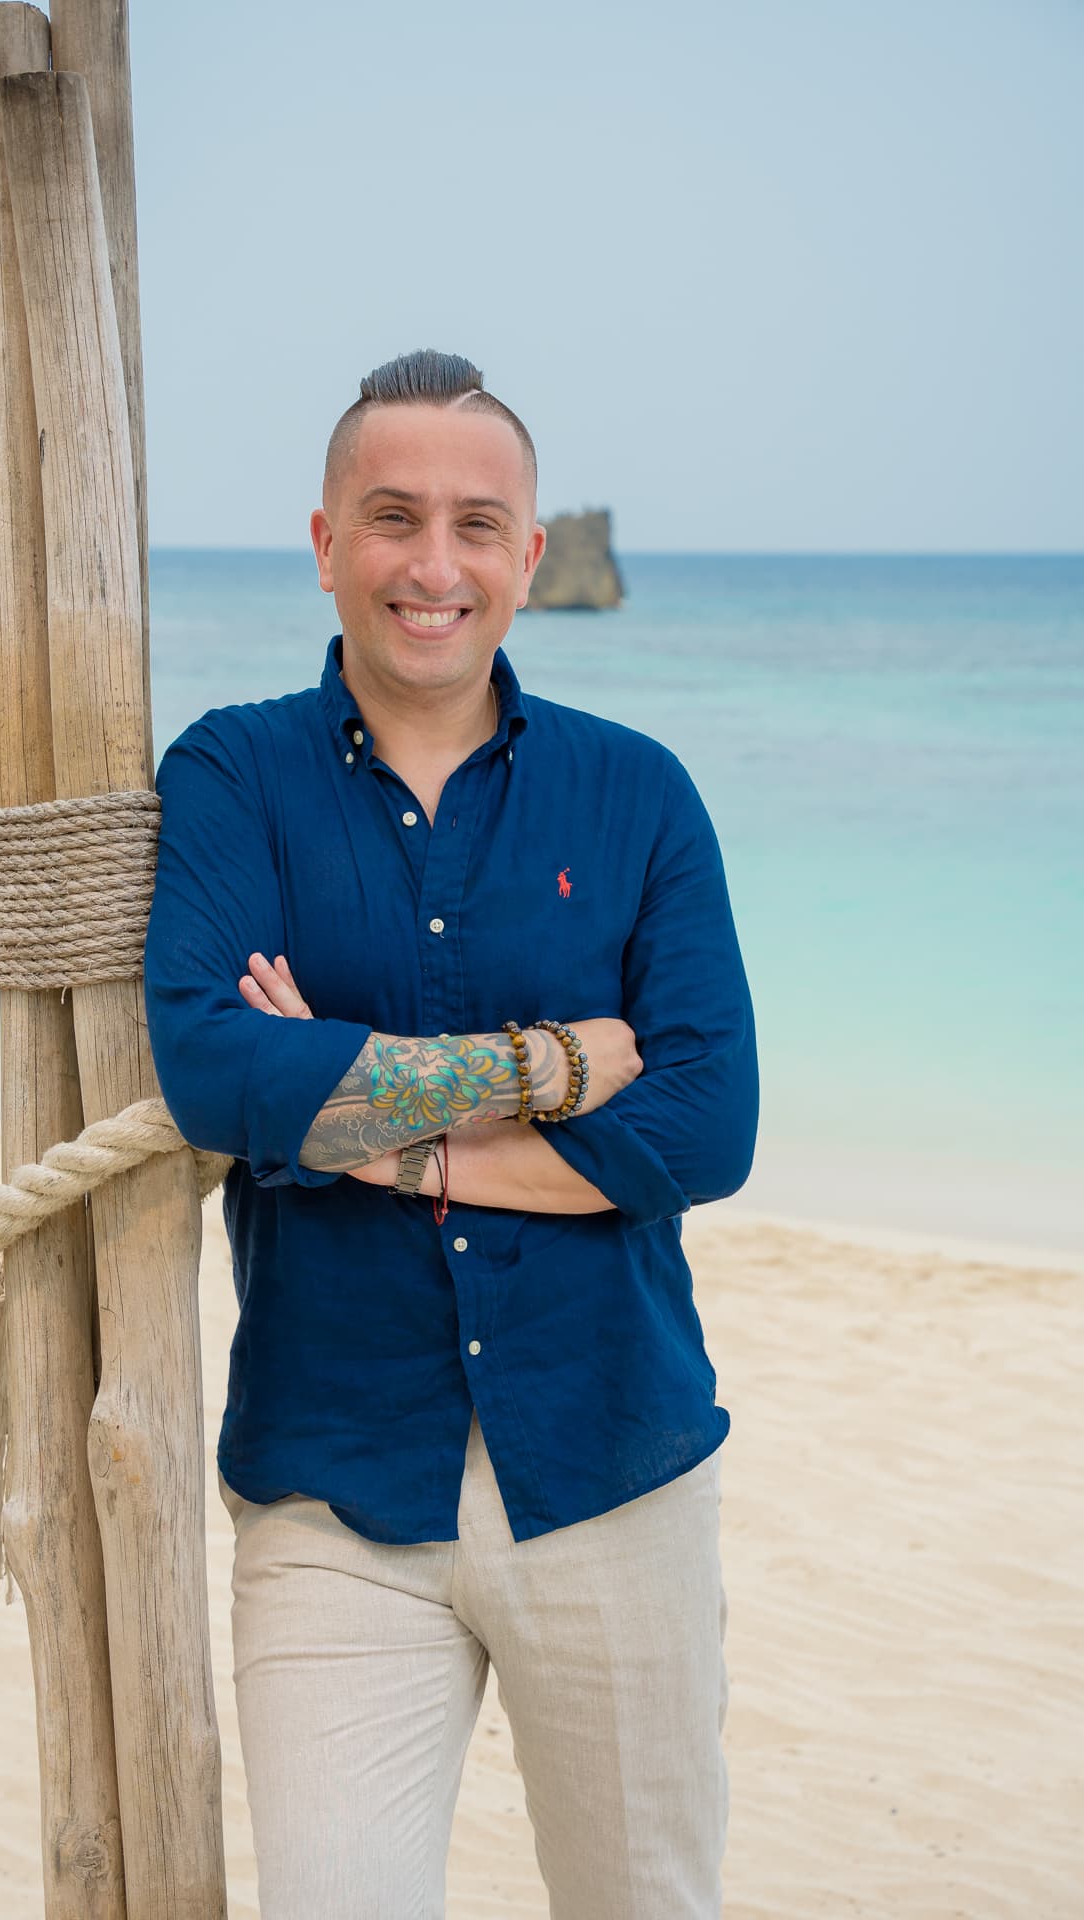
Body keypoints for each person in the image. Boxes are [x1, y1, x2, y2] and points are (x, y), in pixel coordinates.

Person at [142, 348, 759, 1919]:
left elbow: (706, 1122)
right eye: (395, 517)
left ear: (531, 556)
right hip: (335, 1485)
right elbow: (216, 1075)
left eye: (479, 525)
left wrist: (362, 1123)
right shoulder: (231, 774)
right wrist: (553, 1066)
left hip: (613, 1469)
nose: (436, 565)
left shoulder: (639, 795)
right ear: (327, 540)